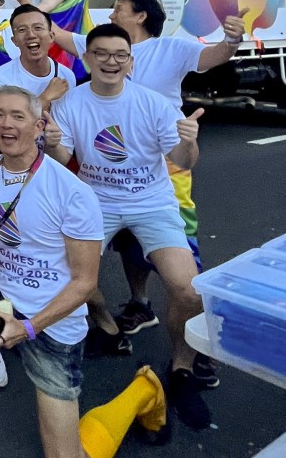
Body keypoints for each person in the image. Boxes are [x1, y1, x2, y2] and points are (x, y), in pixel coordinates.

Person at [0, 85, 167, 458]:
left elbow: (85, 283)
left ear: (39, 125)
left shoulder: (72, 192)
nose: (5, 124)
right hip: (0, 295)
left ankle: (144, 392)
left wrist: (28, 328)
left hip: (53, 321)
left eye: (17, 116)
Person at [39, 0, 245, 346]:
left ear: (141, 16)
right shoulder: (99, 48)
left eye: (118, 7)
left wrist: (230, 41)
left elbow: (215, 56)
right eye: (101, 55)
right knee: (128, 246)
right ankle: (140, 304)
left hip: (166, 160)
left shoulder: (170, 49)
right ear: (90, 57)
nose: (111, 14)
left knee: (181, 258)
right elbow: (50, 30)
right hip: (105, 176)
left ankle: (198, 337)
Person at [45, 23, 211, 428]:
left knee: (189, 290)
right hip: (95, 202)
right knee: (67, 278)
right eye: (101, 53)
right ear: (88, 58)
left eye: (120, 55)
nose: (111, 61)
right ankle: (107, 325)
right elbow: (63, 157)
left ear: (130, 62)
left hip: (151, 202)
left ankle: (182, 368)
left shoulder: (153, 103)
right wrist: (51, 141)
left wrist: (189, 140)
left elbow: (184, 161)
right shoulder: (71, 103)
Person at [0, 5, 75, 111]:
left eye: (38, 28)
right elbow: (10, 120)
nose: (31, 35)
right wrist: (46, 97)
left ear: (51, 37)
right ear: (14, 41)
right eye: (22, 30)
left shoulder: (66, 76)